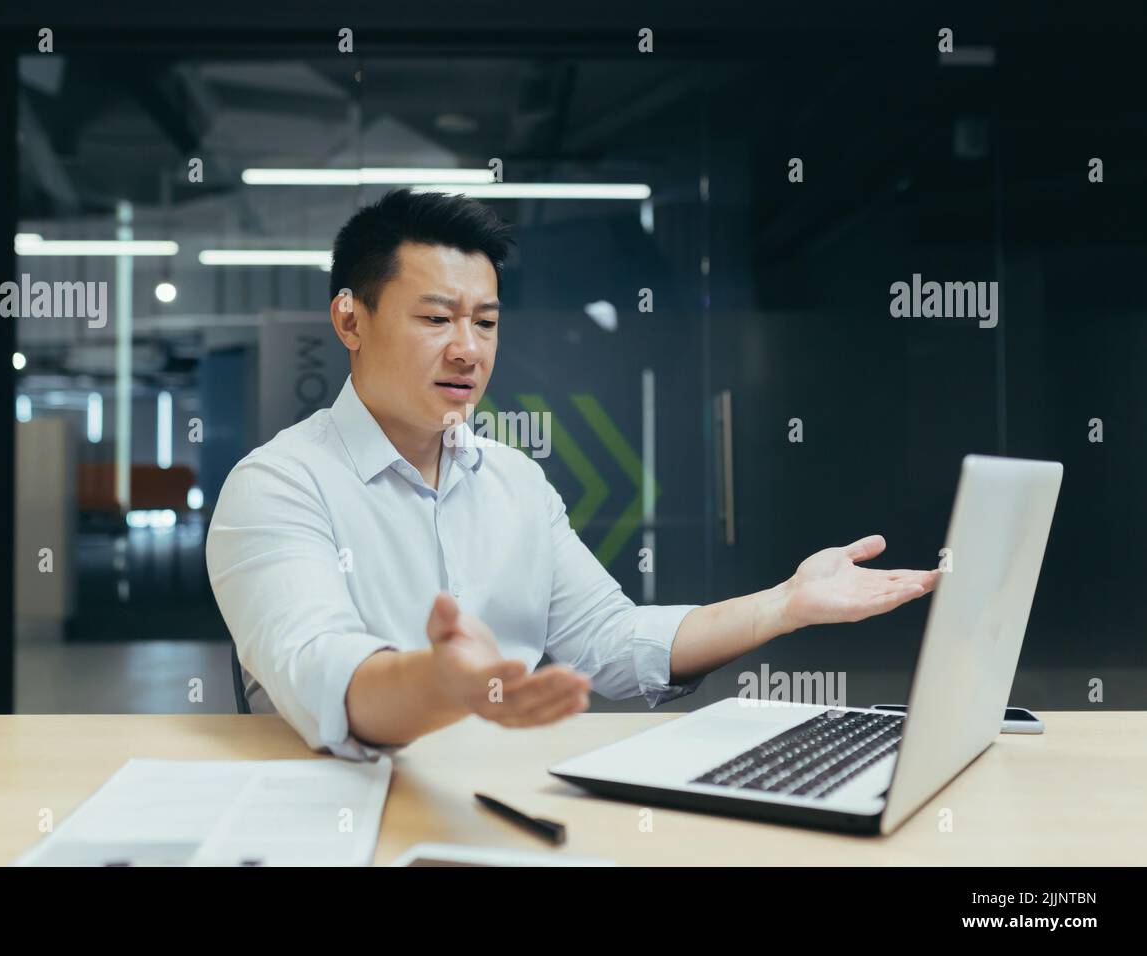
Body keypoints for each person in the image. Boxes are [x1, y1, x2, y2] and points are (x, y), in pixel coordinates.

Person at [206, 188, 937, 760]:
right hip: (347, 818)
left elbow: (613, 641)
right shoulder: (277, 485)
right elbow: (317, 667)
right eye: (436, 319)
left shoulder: (515, 482)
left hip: (508, 800)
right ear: (350, 320)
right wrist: (441, 684)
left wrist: (785, 604)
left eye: (486, 322)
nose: (468, 350)